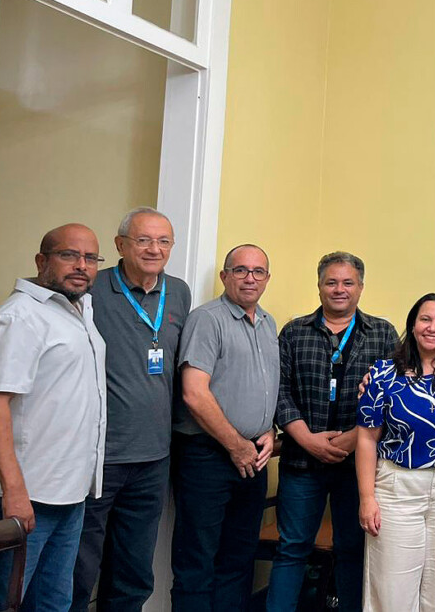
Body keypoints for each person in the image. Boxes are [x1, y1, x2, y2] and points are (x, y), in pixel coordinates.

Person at [0, 224, 107, 612]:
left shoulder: (77, 311)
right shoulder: (18, 317)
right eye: (69, 255)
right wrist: (14, 491)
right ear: (41, 260)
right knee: (0, 601)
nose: (81, 265)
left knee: (52, 602)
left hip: (67, 494)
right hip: (21, 496)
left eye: (90, 258)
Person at [69, 208, 191, 612]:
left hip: (154, 457)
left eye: (163, 241)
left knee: (134, 570)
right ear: (120, 245)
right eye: (143, 240)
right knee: (79, 565)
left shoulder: (179, 292)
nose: (154, 249)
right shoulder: (92, 289)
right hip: (98, 455)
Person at [266, 252, 398, 612]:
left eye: (348, 282)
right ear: (319, 285)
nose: (340, 289)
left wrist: (351, 440)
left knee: (353, 550)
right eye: (331, 282)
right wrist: (306, 439)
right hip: (301, 461)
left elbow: (393, 397)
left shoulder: (383, 334)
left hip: (357, 464)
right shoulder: (294, 332)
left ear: (361, 287)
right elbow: (279, 391)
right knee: (292, 549)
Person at [170, 244, 278, 611]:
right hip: (209, 456)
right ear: (225, 276)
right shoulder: (207, 319)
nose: (250, 278)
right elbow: (194, 393)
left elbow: (262, 387)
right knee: (197, 560)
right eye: (240, 270)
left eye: (258, 271)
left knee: (238, 558)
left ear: (267, 278)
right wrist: (236, 444)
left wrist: (269, 430)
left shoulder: (268, 323)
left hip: (253, 456)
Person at [356, 293, 435, 611]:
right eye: (425, 319)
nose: (432, 327)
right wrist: (367, 498)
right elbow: (366, 438)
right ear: (412, 324)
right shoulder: (383, 374)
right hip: (397, 490)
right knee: (391, 591)